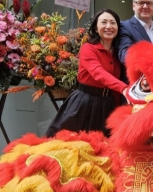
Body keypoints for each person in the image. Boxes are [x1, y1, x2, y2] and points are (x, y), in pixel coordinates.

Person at [47, 9, 128, 138]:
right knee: (72, 146)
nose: (109, 26)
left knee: (104, 149)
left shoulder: (117, 53)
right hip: (84, 104)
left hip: (107, 105)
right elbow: (98, 72)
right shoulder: (88, 48)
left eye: (113, 23)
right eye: (104, 22)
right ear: (96, 28)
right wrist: (124, 88)